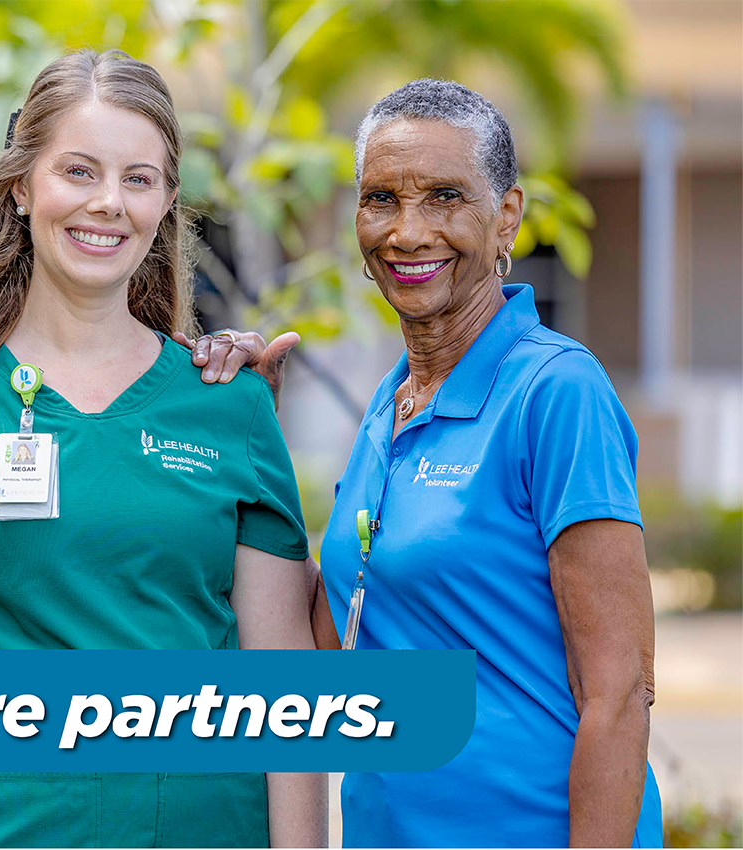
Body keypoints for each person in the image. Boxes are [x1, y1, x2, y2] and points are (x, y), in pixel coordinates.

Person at [0, 49, 326, 848]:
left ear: (166, 200)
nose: (108, 204)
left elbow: (285, 693)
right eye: (78, 171)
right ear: (22, 186)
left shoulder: (232, 406)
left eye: (138, 178)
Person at [191, 79, 661, 848]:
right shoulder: (390, 405)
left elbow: (619, 694)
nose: (407, 232)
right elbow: (326, 639)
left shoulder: (555, 391)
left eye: (444, 197)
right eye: (381, 199)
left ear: (506, 214)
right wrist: (246, 435)